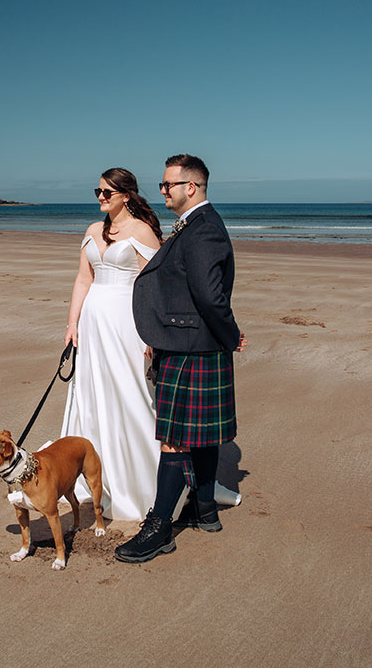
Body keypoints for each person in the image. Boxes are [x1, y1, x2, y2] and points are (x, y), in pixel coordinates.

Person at [116, 154, 246, 563]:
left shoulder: (204, 229)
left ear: (191, 187)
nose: (161, 191)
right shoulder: (195, 225)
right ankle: (203, 509)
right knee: (201, 436)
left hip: (192, 347)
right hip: (188, 342)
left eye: (167, 185)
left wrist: (228, 335)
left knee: (173, 441)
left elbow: (210, 295)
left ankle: (159, 528)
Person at [60, 168, 163, 522]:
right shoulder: (92, 231)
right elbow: (82, 278)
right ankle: (89, 474)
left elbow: (154, 287)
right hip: (92, 325)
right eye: (98, 191)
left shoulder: (142, 231)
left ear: (126, 195)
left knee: (130, 393)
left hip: (126, 324)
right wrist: (72, 323)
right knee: (90, 395)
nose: (101, 197)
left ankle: (145, 479)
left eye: (107, 192)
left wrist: (151, 334)